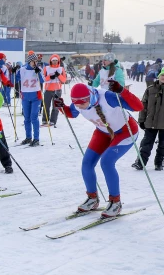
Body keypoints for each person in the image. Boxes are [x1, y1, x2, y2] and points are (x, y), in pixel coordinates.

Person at [54, 81, 143, 218]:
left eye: (82, 104)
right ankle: (92, 199)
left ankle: (115, 202)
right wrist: (61, 107)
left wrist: (122, 91)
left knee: (106, 162)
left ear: (89, 97)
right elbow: (71, 113)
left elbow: (138, 107)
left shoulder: (107, 97)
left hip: (125, 131)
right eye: (76, 104)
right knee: (87, 163)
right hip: (103, 132)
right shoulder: (79, 101)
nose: (79, 107)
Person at [133, 67, 164, 171]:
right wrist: (142, 119)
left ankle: (159, 163)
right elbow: (143, 106)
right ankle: (140, 162)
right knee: (146, 143)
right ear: (158, 76)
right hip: (150, 122)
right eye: (162, 75)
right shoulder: (150, 89)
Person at [16, 52, 44, 147]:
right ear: (29, 61)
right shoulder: (22, 69)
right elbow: (15, 79)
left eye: (36, 61)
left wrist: (38, 73)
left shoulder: (38, 69)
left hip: (36, 96)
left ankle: (36, 138)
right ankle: (28, 137)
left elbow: (43, 80)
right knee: (26, 118)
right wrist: (13, 71)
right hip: (25, 96)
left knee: (33, 117)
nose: (35, 63)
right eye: (33, 61)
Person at [42, 54, 67, 126]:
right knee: (46, 105)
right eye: (53, 60)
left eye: (56, 60)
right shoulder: (46, 68)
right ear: (51, 61)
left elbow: (64, 80)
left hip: (57, 89)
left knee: (56, 106)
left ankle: (53, 120)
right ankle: (45, 119)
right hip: (48, 89)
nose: (55, 62)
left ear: (58, 61)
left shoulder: (61, 69)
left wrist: (58, 75)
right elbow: (43, 78)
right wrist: (50, 77)